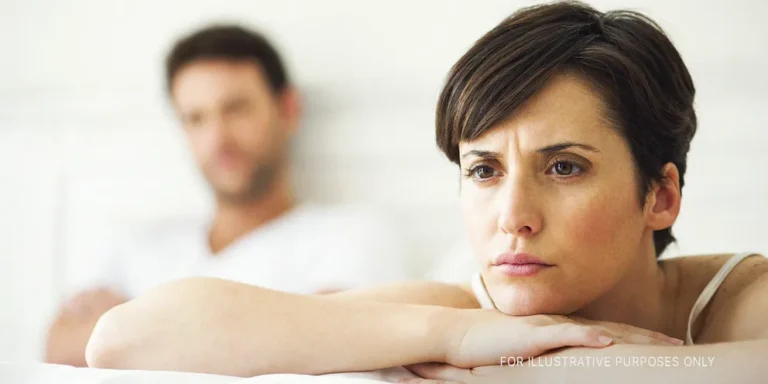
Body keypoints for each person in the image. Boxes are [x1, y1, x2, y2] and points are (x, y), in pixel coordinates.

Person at [84, 2, 768, 383]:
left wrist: (537, 370)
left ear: (662, 196)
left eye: (563, 168)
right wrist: (457, 332)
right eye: (484, 171)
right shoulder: (460, 309)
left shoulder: (739, 301)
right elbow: (123, 340)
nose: (514, 218)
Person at [44, 24, 414, 367]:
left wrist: (132, 327)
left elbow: (336, 346)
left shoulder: (351, 234)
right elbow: (59, 348)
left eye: (235, 109)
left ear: (287, 110)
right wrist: (263, 333)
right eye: (196, 118)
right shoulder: (134, 245)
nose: (217, 139)